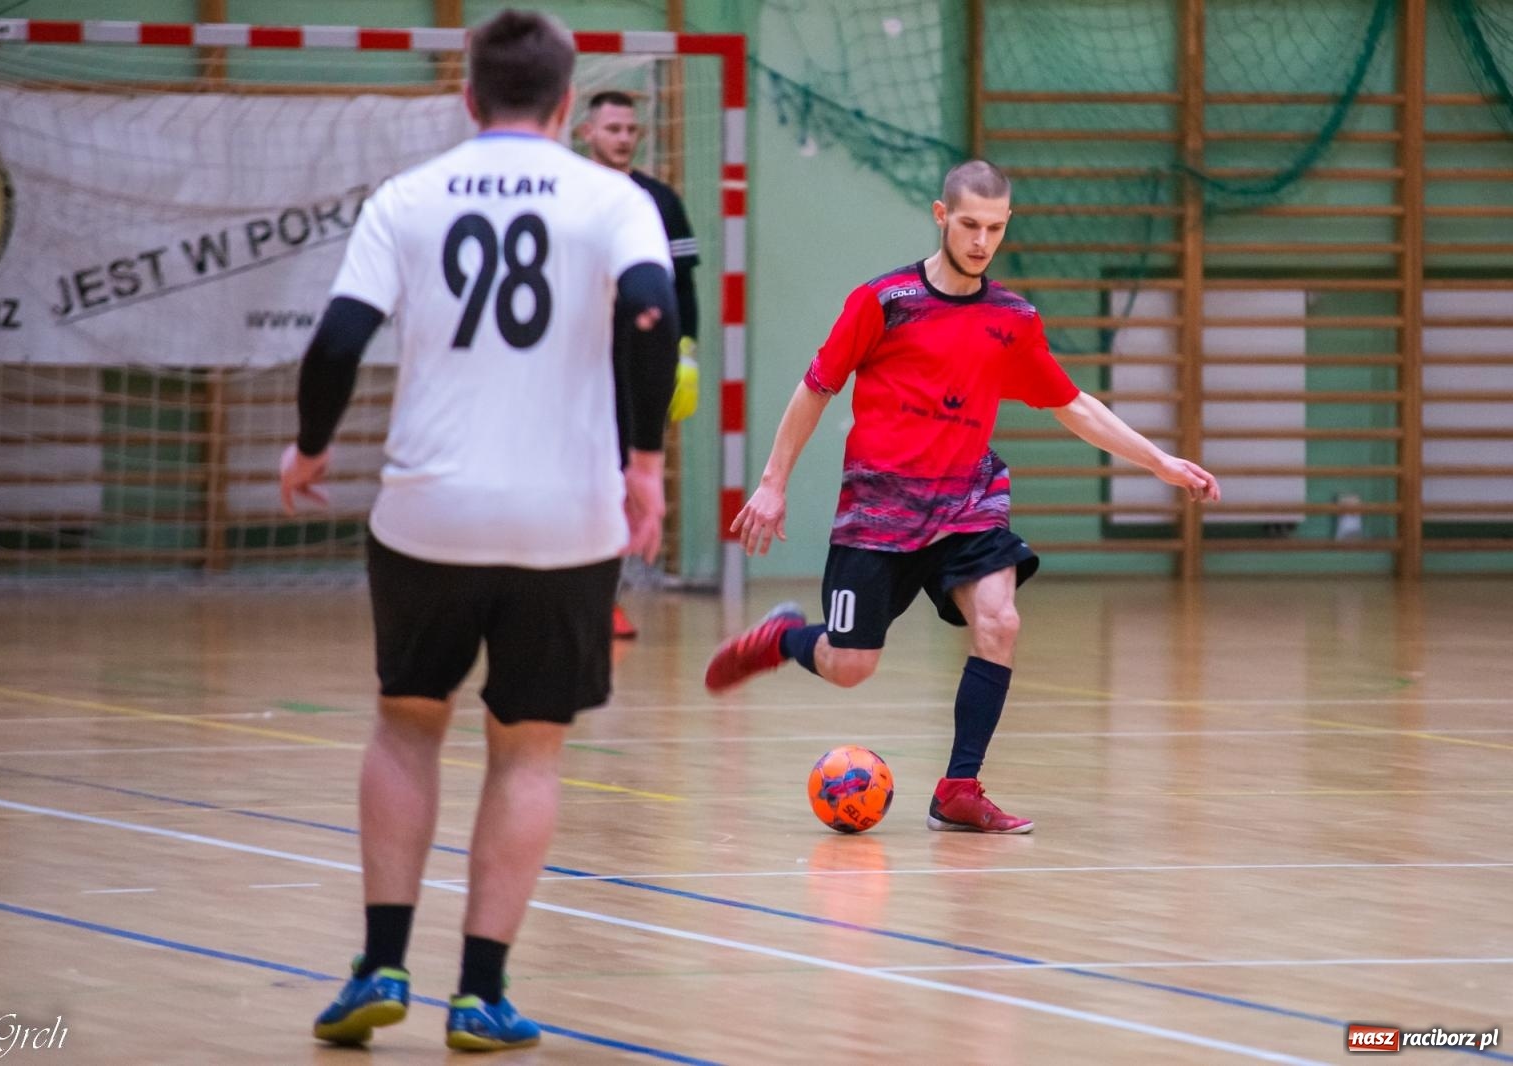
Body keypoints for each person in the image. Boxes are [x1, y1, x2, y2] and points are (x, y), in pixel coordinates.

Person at [281, 9, 679, 1051]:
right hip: (567, 516)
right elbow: (652, 313)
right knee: (527, 749)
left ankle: (376, 964)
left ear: (467, 97)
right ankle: (479, 991)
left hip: (429, 512)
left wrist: (310, 446)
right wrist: (644, 463)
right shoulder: (614, 197)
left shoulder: (407, 197)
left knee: (408, 723)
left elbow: (335, 338)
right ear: (564, 103)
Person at [704, 160, 1220, 834]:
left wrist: (1158, 461)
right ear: (942, 217)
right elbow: (816, 389)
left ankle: (959, 788)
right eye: (970, 224)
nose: (982, 240)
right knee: (850, 665)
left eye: (996, 228)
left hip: (966, 502)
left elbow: (1071, 403)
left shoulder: (1012, 318)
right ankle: (785, 639)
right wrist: (773, 485)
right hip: (880, 510)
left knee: (1000, 622)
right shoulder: (883, 301)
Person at [579, 89, 701, 639]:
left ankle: (606, 598)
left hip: (639, 363)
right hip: (578, 363)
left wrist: (686, 351)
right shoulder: (572, 194)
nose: (624, 138)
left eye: (631, 129)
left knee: (624, 482)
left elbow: (684, 285)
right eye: (613, 129)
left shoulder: (660, 200)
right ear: (586, 132)